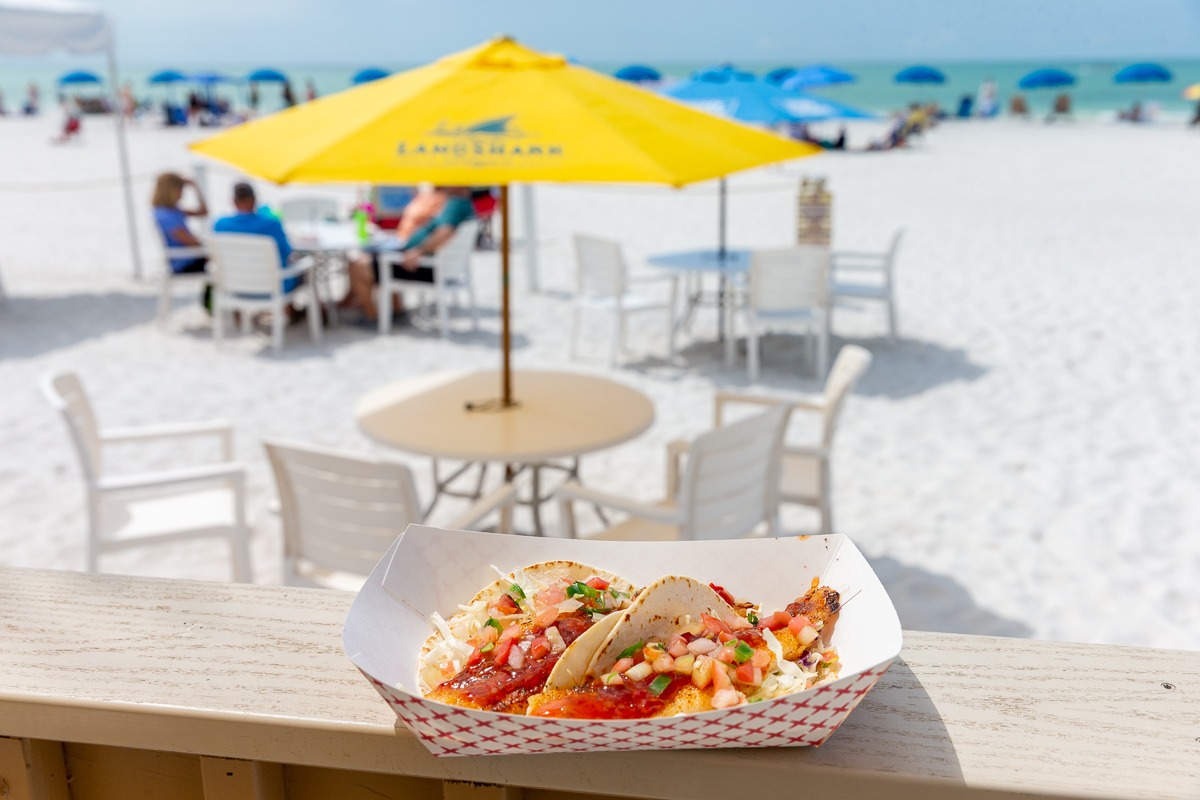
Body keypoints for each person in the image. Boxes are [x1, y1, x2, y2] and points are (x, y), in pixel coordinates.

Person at [343, 186, 475, 323]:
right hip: (427, 263)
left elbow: (445, 232)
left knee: (358, 265)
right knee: (374, 256)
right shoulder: (462, 204)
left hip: (423, 266)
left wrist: (419, 251)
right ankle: (395, 310)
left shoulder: (456, 204)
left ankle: (372, 317)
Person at [151, 172, 209, 273]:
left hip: (191, 257)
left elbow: (203, 212)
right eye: (180, 189)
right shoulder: (165, 215)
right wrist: (210, 246)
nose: (182, 193)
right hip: (185, 262)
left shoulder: (174, 211)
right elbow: (189, 242)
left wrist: (195, 187)